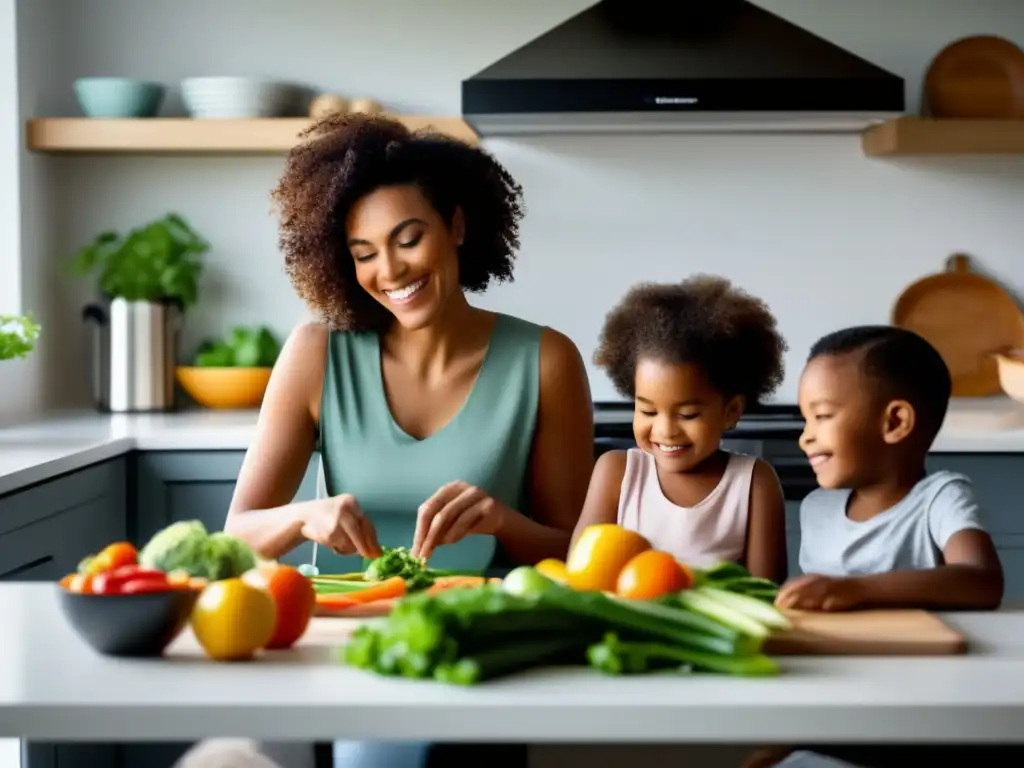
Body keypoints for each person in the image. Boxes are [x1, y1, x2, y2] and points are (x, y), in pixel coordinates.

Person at [222, 113, 595, 768]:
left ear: (455, 224)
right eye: (363, 253)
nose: (389, 270)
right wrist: (306, 515)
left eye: (408, 238)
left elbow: (578, 551)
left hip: (484, 651)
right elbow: (236, 535)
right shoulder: (316, 353)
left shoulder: (545, 360)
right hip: (343, 648)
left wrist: (504, 522)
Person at [748, 325, 1005, 768]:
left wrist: (857, 590)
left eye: (823, 417)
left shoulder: (939, 498)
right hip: (832, 704)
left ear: (895, 422)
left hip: (920, 713)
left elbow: (981, 581)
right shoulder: (815, 509)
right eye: (806, 420)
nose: (805, 437)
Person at [571, 275, 789, 584]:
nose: (665, 430)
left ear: (731, 412)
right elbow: (581, 578)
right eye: (647, 410)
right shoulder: (616, 473)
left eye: (687, 414)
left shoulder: (755, 483)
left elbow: (767, 595)